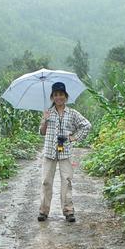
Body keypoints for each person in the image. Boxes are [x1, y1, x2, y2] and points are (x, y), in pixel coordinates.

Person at [38, 81, 91, 222]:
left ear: (65, 96)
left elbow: (86, 125)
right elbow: (42, 132)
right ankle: (43, 211)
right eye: (55, 95)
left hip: (65, 152)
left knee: (66, 181)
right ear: (52, 97)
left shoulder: (72, 113)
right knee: (46, 182)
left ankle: (68, 211)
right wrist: (44, 121)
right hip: (49, 152)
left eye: (61, 94)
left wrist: (74, 138)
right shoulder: (48, 113)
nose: (58, 97)